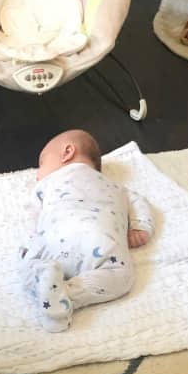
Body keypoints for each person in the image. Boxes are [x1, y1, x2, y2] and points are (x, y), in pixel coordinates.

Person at [20, 129, 154, 331]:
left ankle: (48, 282)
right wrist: (141, 227)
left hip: (54, 242)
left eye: (41, 164)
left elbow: (30, 215)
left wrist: (29, 244)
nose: (37, 175)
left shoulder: (47, 183)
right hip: (101, 241)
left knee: (29, 268)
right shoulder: (116, 187)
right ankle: (68, 294)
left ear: (67, 152)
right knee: (122, 278)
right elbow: (139, 202)